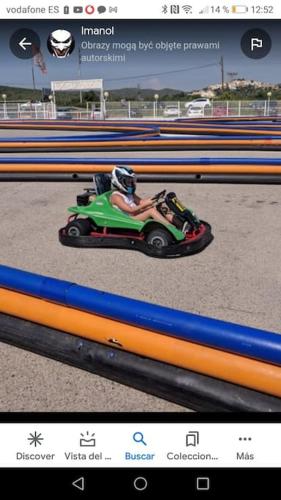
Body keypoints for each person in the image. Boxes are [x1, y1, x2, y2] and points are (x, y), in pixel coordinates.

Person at [110, 166, 188, 230]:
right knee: (151, 211)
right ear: (119, 181)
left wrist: (154, 198)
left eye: (131, 181)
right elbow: (130, 211)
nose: (131, 184)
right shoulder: (116, 197)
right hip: (130, 218)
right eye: (128, 181)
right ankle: (172, 229)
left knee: (160, 206)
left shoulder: (129, 194)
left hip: (137, 213)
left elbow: (141, 202)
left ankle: (179, 223)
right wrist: (146, 205)